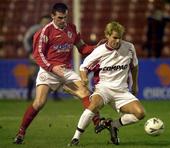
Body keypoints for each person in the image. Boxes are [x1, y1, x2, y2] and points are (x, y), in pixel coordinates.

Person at [14, 3, 104, 144]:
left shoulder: (72, 29)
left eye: (65, 17)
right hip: (48, 72)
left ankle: (97, 123)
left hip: (66, 71)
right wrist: (51, 67)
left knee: (85, 93)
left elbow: (82, 48)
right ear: (53, 16)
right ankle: (21, 132)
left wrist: (96, 48)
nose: (63, 21)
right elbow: (38, 55)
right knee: (39, 103)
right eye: (60, 18)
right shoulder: (44, 32)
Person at [69, 21, 146, 146]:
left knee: (140, 113)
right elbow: (84, 67)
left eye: (120, 38)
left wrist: (135, 84)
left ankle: (112, 125)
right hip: (103, 89)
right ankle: (76, 138)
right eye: (115, 37)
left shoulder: (129, 47)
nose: (117, 41)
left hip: (122, 91)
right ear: (107, 35)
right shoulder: (99, 51)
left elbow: (134, 66)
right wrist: (84, 78)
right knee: (93, 105)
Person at [23, 15, 52, 101]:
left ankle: (55, 96)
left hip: (48, 56)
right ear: (41, 22)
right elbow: (26, 39)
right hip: (35, 55)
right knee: (32, 74)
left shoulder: (53, 30)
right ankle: (28, 95)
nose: (46, 24)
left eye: (48, 22)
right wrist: (29, 52)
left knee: (53, 75)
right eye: (44, 22)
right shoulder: (35, 29)